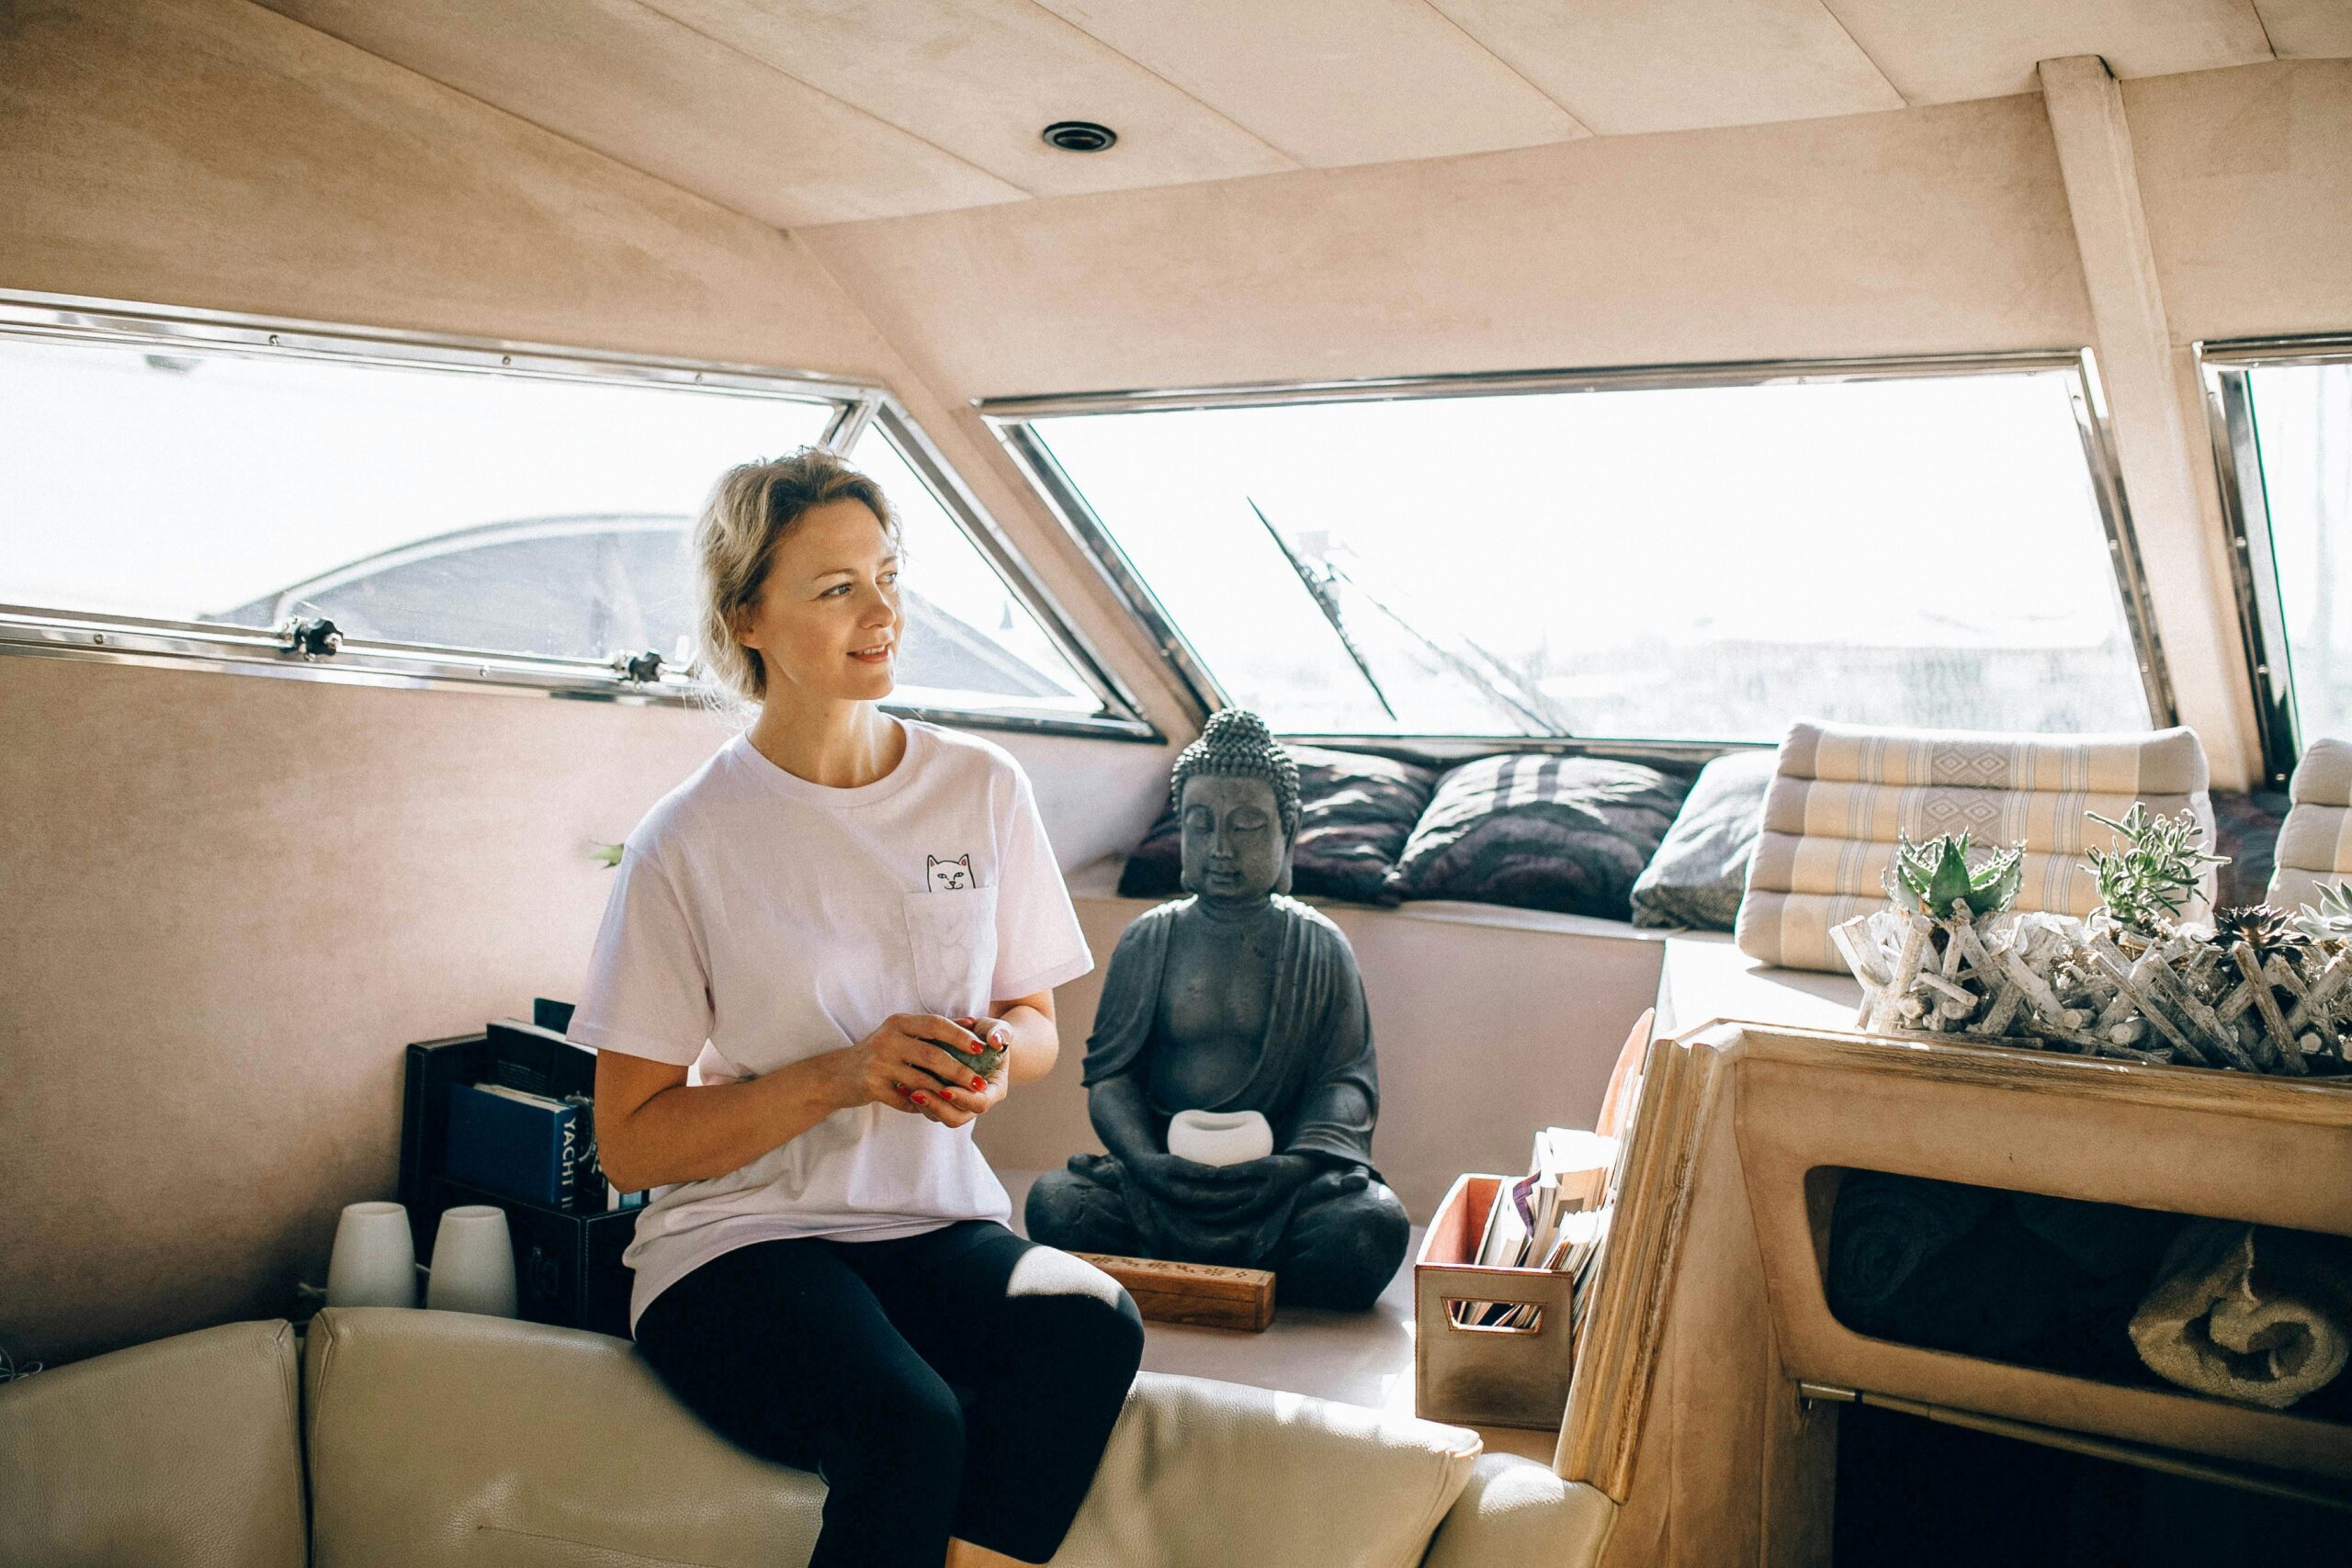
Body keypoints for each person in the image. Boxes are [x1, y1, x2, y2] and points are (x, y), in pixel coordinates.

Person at [568, 447, 1144, 1568]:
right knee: (908, 1425)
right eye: (837, 588)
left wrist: (987, 1057)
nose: (882, 610)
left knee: (1086, 1322)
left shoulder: (980, 790)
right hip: (735, 1244)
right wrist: (844, 1074)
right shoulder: (689, 840)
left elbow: (1034, 1022)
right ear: (747, 617)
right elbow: (629, 1143)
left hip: (929, 1221)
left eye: (888, 574)